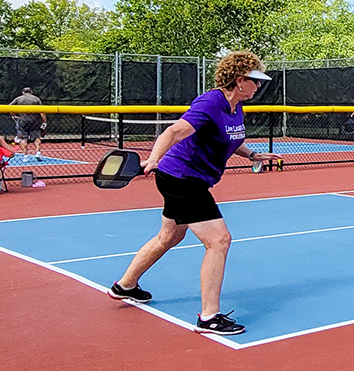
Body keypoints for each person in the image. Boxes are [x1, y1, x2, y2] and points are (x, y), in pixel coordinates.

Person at [107, 51, 282, 336]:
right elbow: (174, 132)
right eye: (255, 81)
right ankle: (209, 317)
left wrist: (251, 154)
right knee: (220, 240)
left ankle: (125, 286)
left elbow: (228, 137)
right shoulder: (211, 101)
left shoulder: (235, 107)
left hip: (185, 178)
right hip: (182, 178)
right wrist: (153, 159)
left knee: (170, 236)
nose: (258, 86)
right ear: (239, 81)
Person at [9, 87, 47, 161]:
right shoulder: (36, 99)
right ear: (31, 92)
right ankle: (38, 152)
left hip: (22, 120)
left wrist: (14, 116)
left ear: (23, 92)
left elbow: (9, 107)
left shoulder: (19, 98)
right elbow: (42, 111)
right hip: (34, 120)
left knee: (23, 138)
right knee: (37, 137)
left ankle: (25, 156)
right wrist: (44, 121)